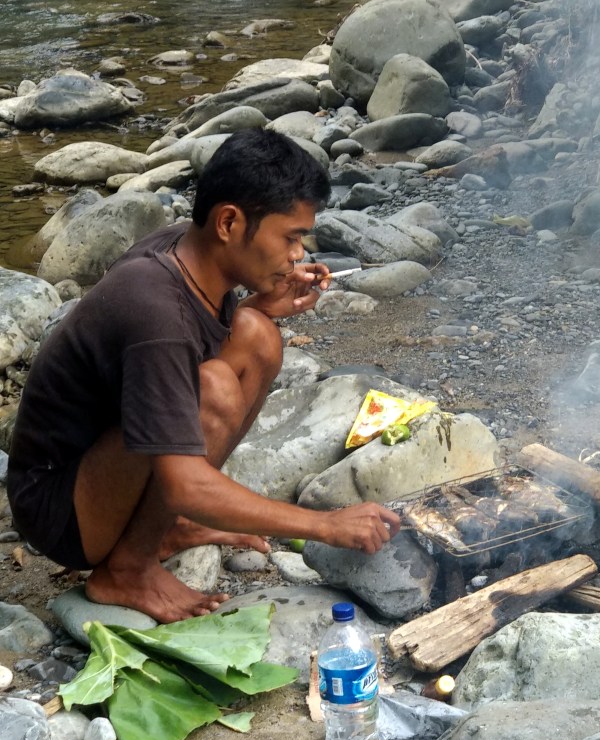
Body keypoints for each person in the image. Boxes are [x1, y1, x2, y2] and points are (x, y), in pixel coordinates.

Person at [8, 128, 400, 623]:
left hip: (107, 460)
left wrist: (263, 301)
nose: (298, 254)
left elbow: (199, 342)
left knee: (257, 335)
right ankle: (127, 570)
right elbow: (185, 483)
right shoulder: (156, 310)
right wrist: (325, 525)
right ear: (229, 222)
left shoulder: (185, 249)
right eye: (290, 237)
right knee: (213, 390)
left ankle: (163, 529)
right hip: (60, 508)